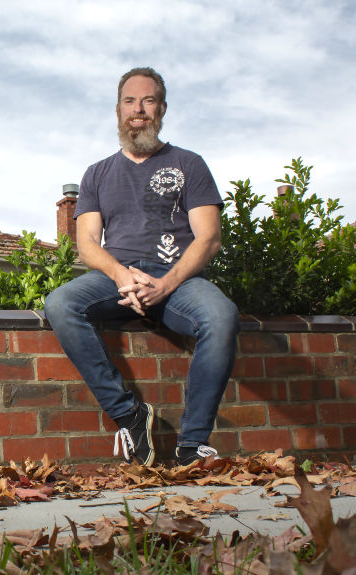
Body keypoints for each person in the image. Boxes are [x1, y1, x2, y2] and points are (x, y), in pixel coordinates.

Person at [42, 66, 239, 467]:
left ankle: (192, 444)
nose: (139, 110)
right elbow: (86, 244)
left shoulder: (190, 164)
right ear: (118, 110)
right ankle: (129, 415)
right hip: (120, 277)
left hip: (177, 279)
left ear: (162, 108)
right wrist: (121, 275)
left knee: (222, 316)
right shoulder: (97, 173)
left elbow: (209, 238)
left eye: (148, 101)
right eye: (130, 101)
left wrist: (165, 285)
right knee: (61, 303)